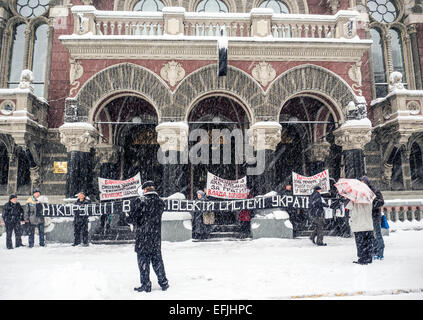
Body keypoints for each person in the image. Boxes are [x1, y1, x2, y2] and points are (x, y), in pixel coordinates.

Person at [128, 181, 169, 293]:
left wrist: (129, 214)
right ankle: (163, 282)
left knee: (143, 262)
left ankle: (146, 284)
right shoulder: (160, 202)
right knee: (157, 260)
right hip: (155, 236)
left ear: (145, 190)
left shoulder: (139, 201)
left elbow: (133, 219)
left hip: (143, 237)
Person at [344, 196, 374, 265]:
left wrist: (348, 199)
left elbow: (348, 207)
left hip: (359, 225)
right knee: (368, 243)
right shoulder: (369, 199)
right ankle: (369, 258)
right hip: (368, 224)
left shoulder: (354, 200)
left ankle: (362, 259)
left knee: (360, 244)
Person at [361, 176, 385, 260]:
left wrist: (373, 202)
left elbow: (381, 202)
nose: (363, 184)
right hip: (368, 216)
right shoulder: (363, 192)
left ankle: (380, 253)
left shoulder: (375, 191)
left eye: (364, 182)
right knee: (371, 235)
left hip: (375, 215)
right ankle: (375, 251)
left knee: (377, 234)